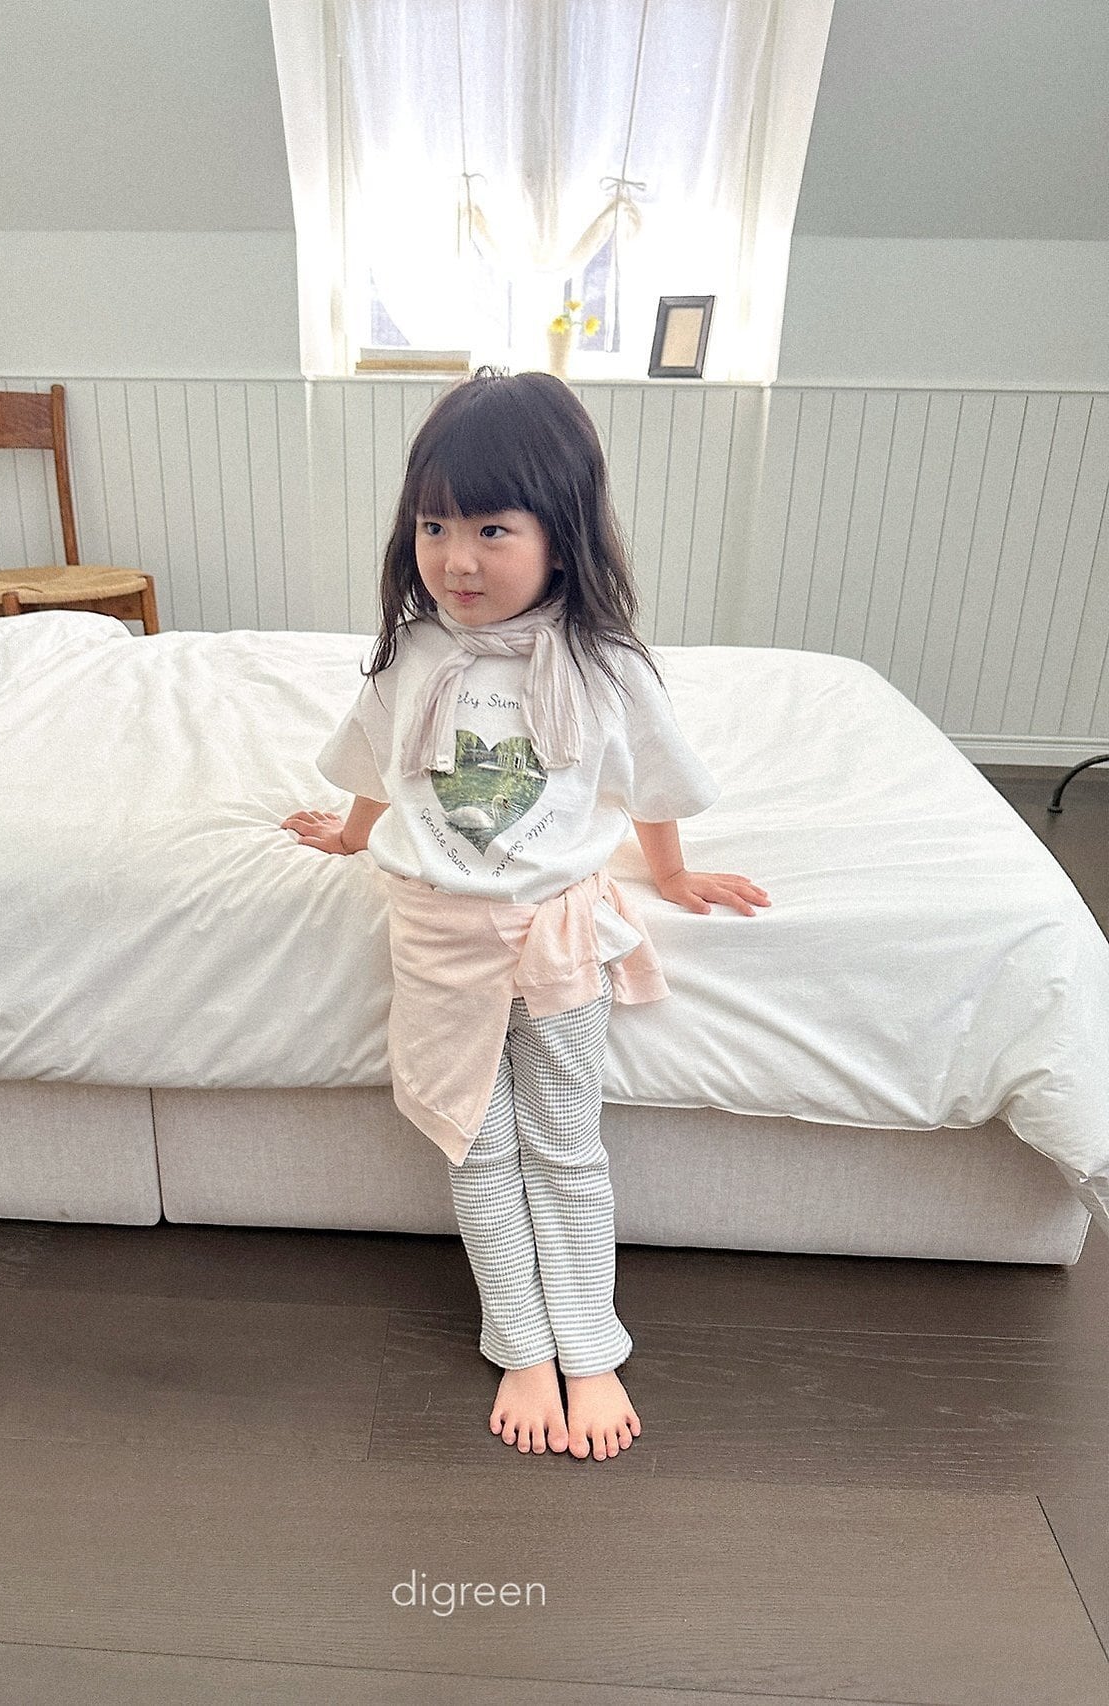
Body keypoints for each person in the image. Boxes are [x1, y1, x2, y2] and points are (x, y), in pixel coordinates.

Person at [281, 368, 769, 1462]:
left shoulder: (602, 665)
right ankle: (521, 1344)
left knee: (564, 1146)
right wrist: (351, 835)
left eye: (491, 528)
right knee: (476, 1146)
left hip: (556, 941)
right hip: (437, 944)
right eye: (434, 526)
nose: (456, 559)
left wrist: (673, 874)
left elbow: (648, 782)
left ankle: (588, 1346)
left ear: (562, 532)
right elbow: (377, 762)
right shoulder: (411, 653)